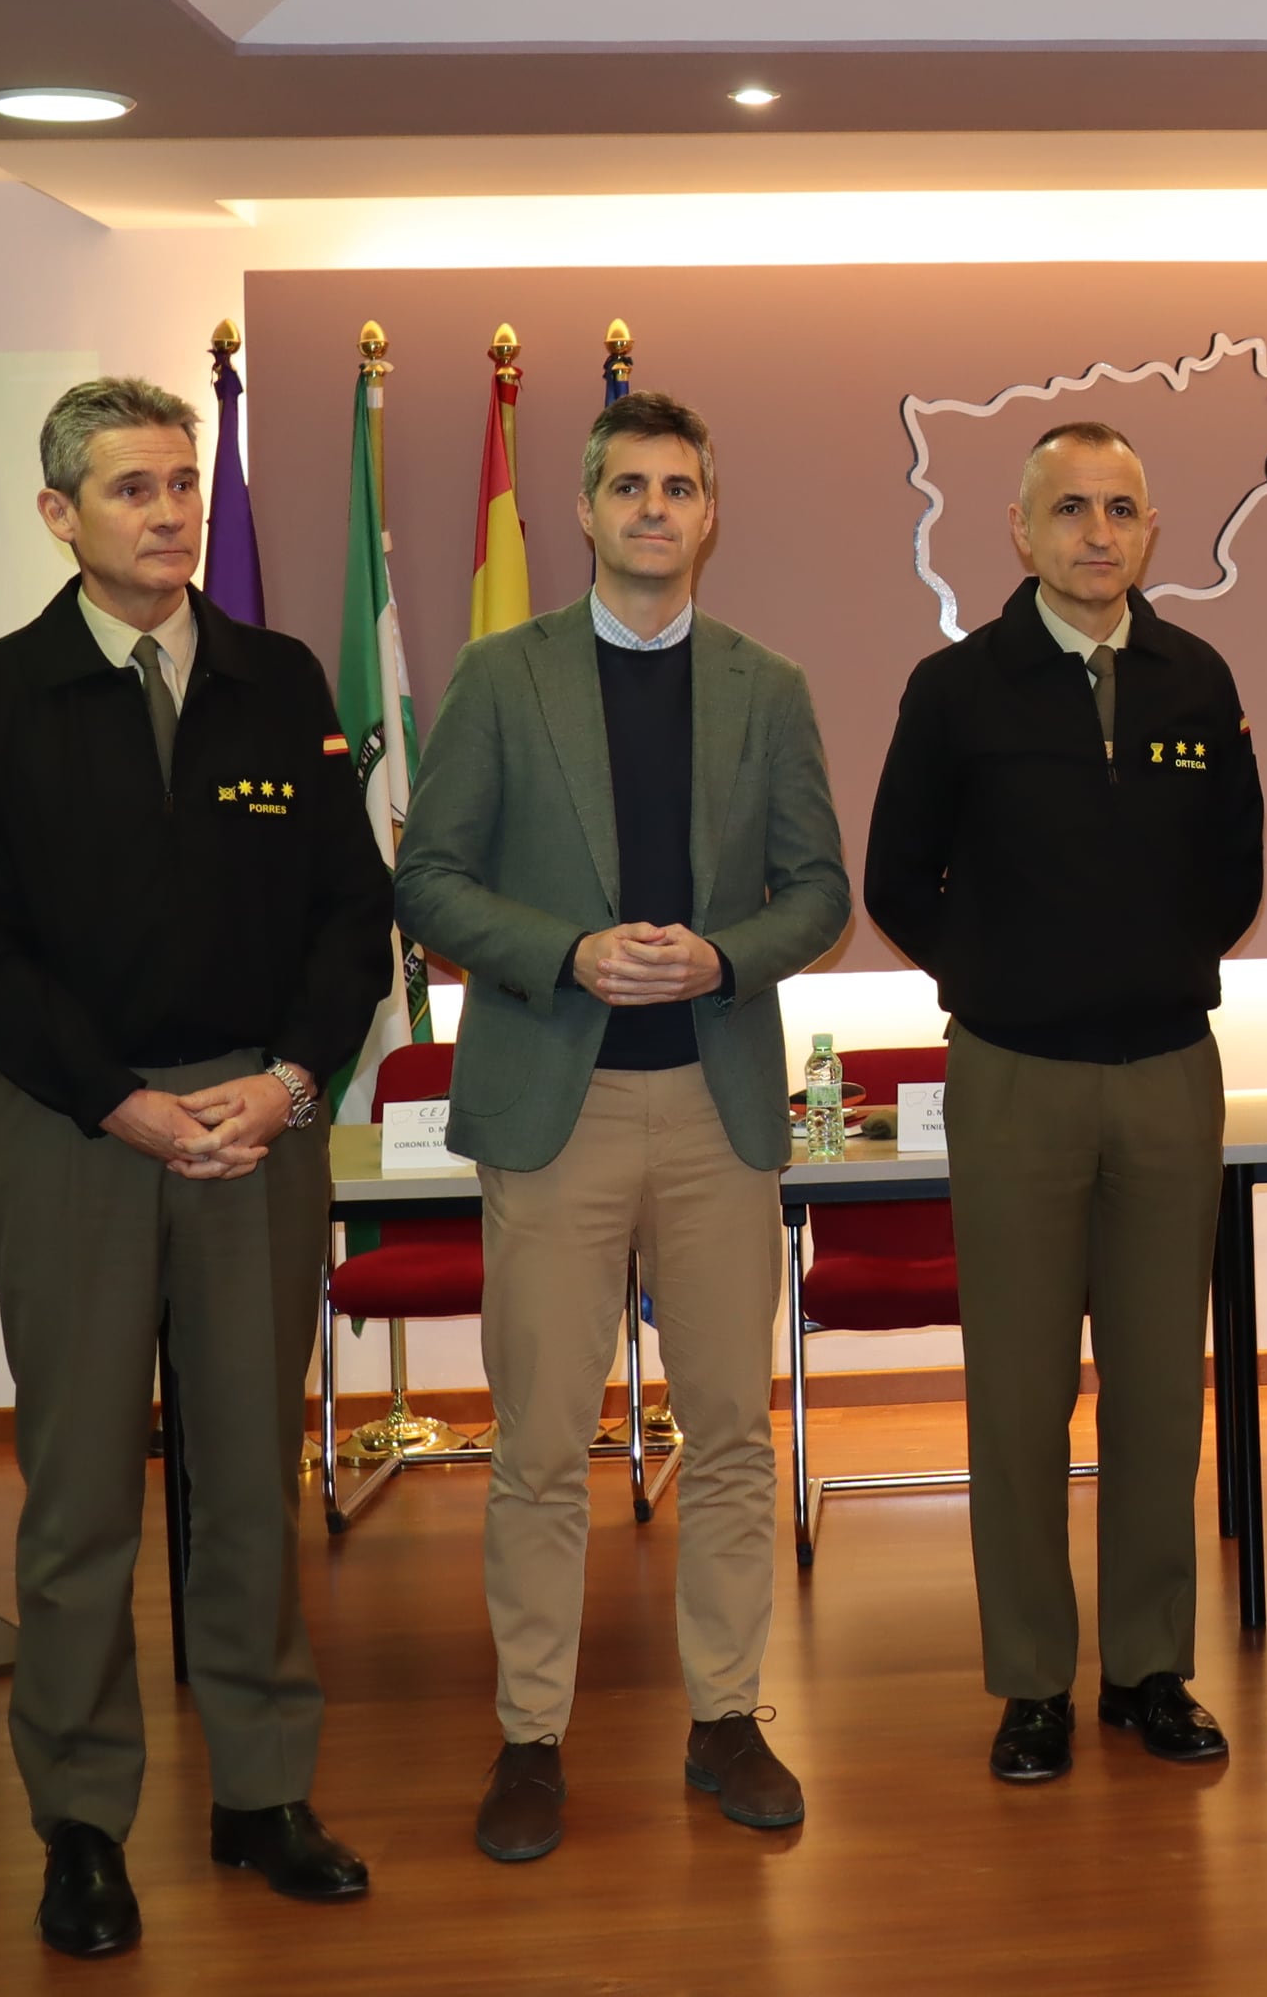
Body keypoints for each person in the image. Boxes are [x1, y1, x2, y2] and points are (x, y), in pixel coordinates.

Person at [0, 376, 390, 1958]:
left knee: (253, 1482)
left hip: (259, 1129)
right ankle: (82, 1824)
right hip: (76, 1136)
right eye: (133, 489)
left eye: (183, 482)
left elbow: (351, 917)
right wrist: (123, 1104)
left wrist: (286, 1083)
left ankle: (262, 1792)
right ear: (60, 515)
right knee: (77, 1507)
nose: (172, 511)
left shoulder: (278, 680)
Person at [394, 390, 851, 1860]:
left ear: (710, 514)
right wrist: (566, 951)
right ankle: (532, 1739)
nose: (655, 509)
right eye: (628, 487)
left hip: (717, 1103)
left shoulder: (767, 686)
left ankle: (727, 1719)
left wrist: (727, 955)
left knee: (729, 1434)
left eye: (680, 487)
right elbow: (433, 877)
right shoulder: (498, 674)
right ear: (584, 513)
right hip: (556, 1103)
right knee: (538, 1443)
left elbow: (819, 889)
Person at [860, 422, 1265, 1784]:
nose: (1100, 533)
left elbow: (1233, 880)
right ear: (1022, 532)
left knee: (1161, 1391)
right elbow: (898, 879)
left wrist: (1147, 972)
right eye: (1072, 510)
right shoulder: (958, 687)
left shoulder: (1196, 679)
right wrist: (1006, 981)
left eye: (1124, 510)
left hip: (1166, 1074)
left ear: (1151, 533)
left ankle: (1148, 1669)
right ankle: (1032, 1679)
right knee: (1018, 1397)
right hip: (1015, 1080)